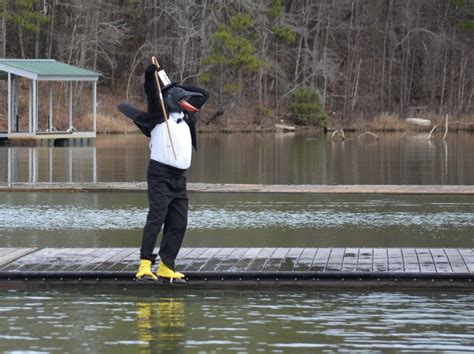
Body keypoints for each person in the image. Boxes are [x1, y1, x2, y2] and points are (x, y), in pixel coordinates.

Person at [133, 63, 209, 284]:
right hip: (160, 175)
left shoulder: (187, 116)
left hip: (179, 178)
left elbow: (204, 94)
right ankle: (145, 266)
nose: (188, 102)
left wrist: (174, 85)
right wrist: (151, 75)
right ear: (170, 100)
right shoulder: (160, 115)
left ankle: (166, 266)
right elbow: (151, 91)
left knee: (178, 221)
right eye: (182, 98)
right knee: (156, 219)